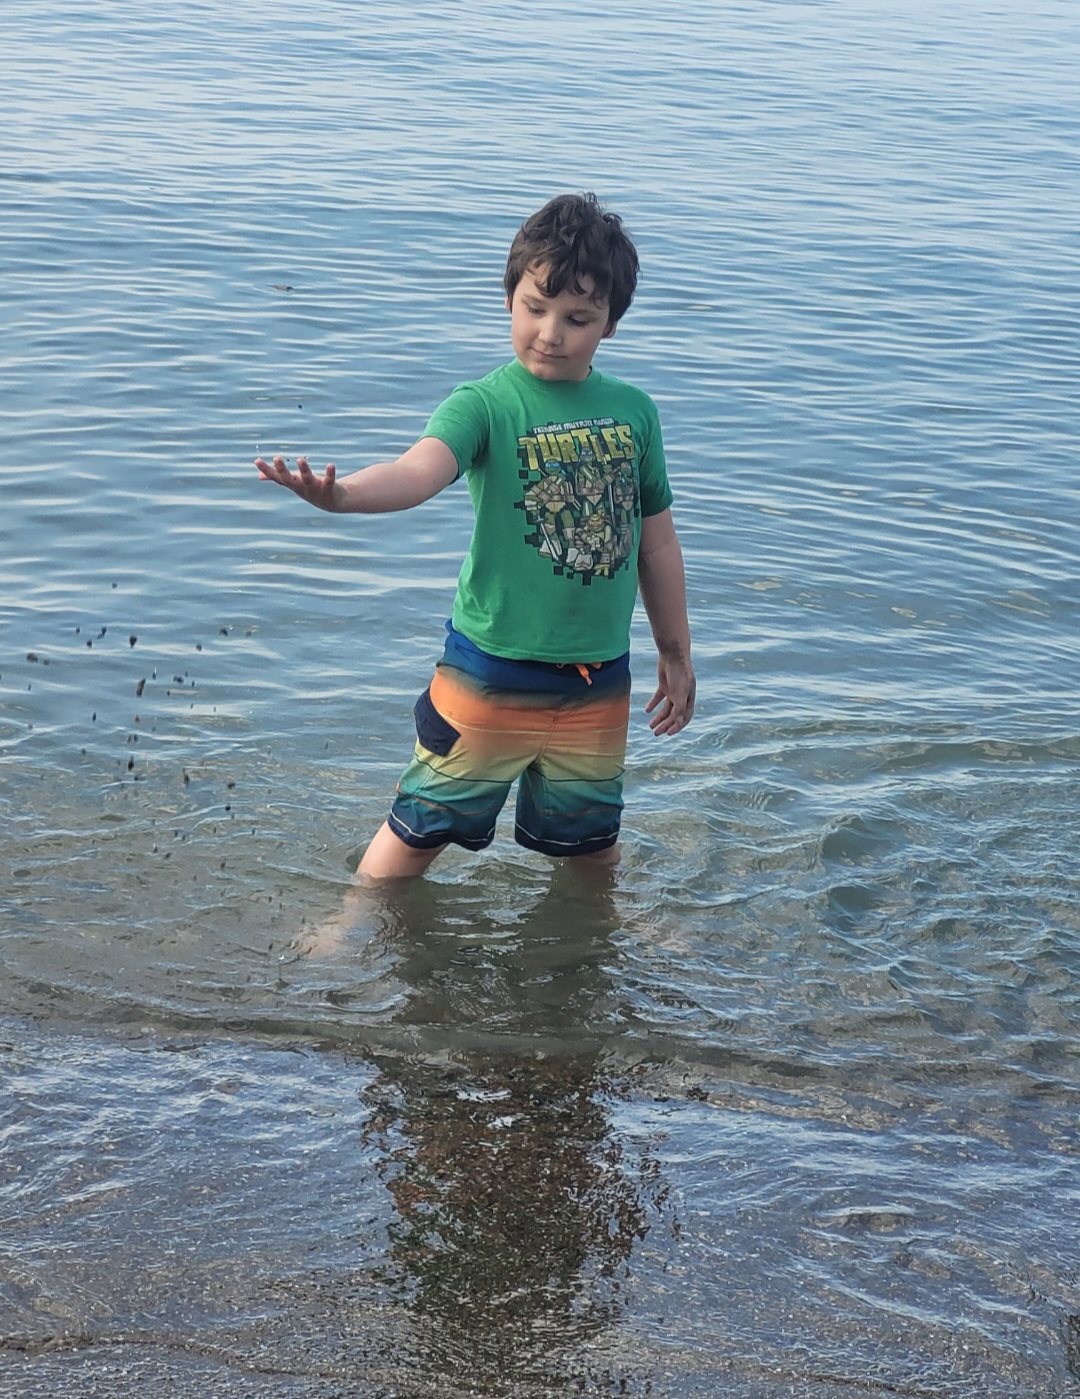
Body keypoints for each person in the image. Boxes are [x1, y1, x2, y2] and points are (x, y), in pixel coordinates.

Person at [256, 193, 695, 882]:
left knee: (592, 846)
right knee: (419, 827)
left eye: (577, 318)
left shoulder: (635, 413)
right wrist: (341, 497)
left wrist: (675, 652)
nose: (551, 332)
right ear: (508, 299)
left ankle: (603, 944)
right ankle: (352, 925)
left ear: (610, 324)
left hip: (598, 678)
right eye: (534, 308)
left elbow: (656, 543)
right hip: (491, 668)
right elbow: (418, 469)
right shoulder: (484, 403)